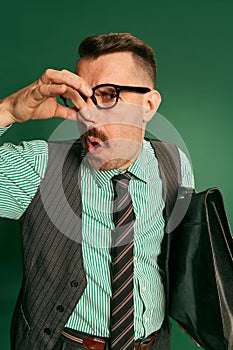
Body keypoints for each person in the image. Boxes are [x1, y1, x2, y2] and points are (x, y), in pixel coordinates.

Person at [0, 33, 194, 350]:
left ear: (148, 104)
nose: (87, 115)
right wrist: (7, 110)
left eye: (107, 96)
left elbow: (180, 255)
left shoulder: (175, 163)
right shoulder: (39, 165)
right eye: (79, 98)